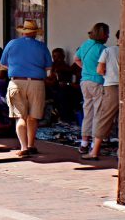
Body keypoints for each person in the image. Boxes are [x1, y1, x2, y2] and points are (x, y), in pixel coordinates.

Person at [0, 19, 52, 157]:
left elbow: (3, 64)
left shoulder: (12, 44)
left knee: (20, 117)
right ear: (35, 33)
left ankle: (23, 147)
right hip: (36, 83)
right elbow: (48, 68)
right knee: (33, 117)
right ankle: (31, 145)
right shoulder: (42, 46)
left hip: (16, 81)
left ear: (23, 32)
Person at [84, 29, 120, 160]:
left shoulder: (108, 51)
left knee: (104, 117)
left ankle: (95, 151)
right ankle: (121, 151)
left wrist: (108, 74)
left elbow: (99, 70)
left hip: (111, 86)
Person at [75, 23, 109, 154]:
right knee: (98, 113)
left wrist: (85, 69)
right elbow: (103, 68)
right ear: (103, 35)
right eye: (107, 33)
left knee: (87, 111)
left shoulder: (85, 45)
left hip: (85, 81)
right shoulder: (102, 49)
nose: (108, 36)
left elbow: (76, 58)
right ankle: (94, 144)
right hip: (97, 82)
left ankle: (84, 143)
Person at [46, 48, 78, 122]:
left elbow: (55, 81)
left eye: (59, 56)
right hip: (54, 88)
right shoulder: (52, 65)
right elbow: (51, 78)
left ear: (63, 56)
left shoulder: (65, 67)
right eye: (54, 56)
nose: (56, 59)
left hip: (62, 89)